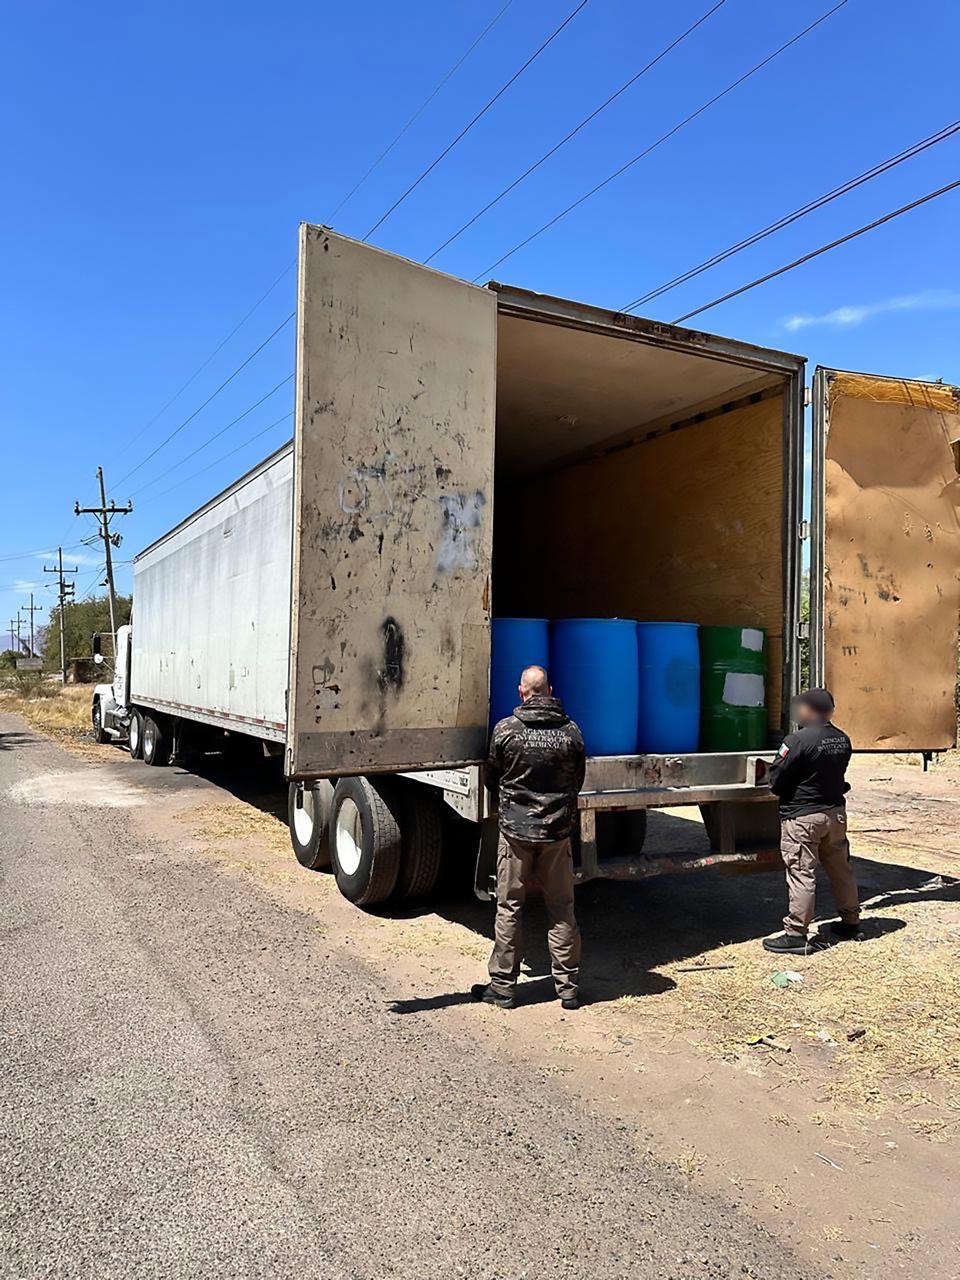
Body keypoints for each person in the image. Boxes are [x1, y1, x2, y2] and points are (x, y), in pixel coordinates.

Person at [472, 665, 586, 1011]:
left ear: (522, 692)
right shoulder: (571, 732)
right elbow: (577, 780)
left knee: (509, 908)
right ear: (549, 691)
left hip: (516, 833)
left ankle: (503, 989)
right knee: (562, 909)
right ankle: (568, 989)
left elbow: (492, 778)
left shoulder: (506, 730)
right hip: (557, 834)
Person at [763, 687, 860, 955]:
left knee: (801, 872)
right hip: (835, 815)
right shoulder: (842, 739)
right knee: (841, 868)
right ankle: (851, 921)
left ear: (808, 709)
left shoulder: (797, 741)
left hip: (803, 817)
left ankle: (796, 933)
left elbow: (777, 779)